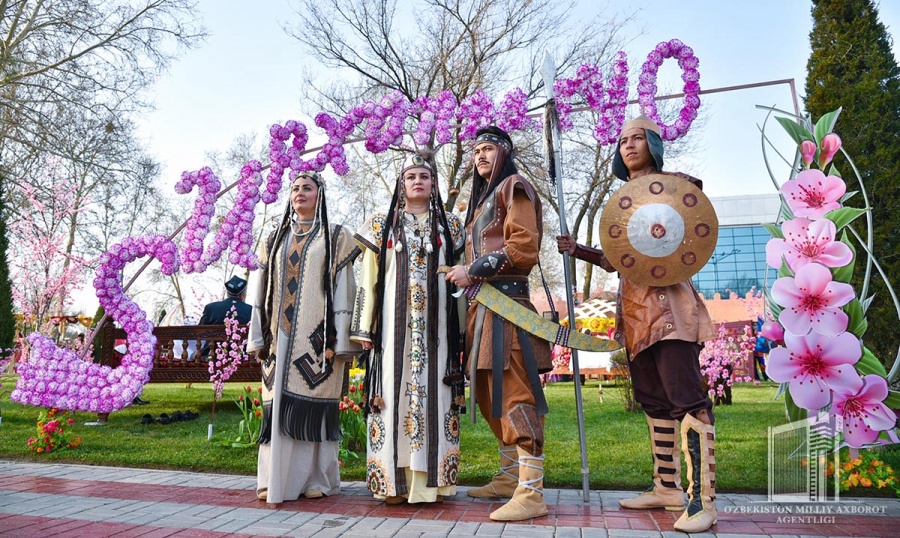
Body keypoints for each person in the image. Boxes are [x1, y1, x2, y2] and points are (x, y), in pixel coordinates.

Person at [556, 115, 717, 533]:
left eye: (638, 138)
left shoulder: (674, 186)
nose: (628, 145)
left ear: (653, 145)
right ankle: (667, 488)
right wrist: (579, 250)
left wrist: (664, 195)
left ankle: (703, 501)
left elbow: (691, 212)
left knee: (688, 400)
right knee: (654, 401)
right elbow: (615, 260)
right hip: (635, 312)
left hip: (671, 311)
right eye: (623, 140)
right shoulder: (621, 201)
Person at [444, 126, 553, 522]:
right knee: (490, 393)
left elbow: (523, 248)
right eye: (476, 150)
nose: (480, 155)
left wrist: (471, 270)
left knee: (514, 393)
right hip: (482, 310)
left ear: (504, 152)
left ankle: (531, 493)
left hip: (508, 307)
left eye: (488, 148)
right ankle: (510, 477)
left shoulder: (514, 186)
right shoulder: (481, 203)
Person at [350, 152, 466, 505]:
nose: (418, 181)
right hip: (391, 331)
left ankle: (433, 484)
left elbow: (462, 281)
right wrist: (365, 328)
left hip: (439, 331)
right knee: (391, 397)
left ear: (434, 184)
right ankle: (392, 484)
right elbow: (368, 278)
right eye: (411, 176)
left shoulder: (450, 227)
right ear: (401, 184)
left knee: (437, 398)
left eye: (424, 176)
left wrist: (462, 331)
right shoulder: (381, 224)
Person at [247, 171, 362, 504]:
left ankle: (317, 480)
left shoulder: (336, 237)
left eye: (307, 188)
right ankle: (273, 480)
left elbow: (345, 289)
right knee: (277, 407)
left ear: (319, 194)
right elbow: (259, 291)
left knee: (315, 411)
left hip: (318, 341)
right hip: (278, 337)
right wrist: (257, 336)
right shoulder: (273, 239)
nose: (300, 193)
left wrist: (342, 340)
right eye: (295, 188)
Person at [198, 275, 252, 357]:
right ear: (243, 294)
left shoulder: (211, 308)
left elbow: (199, 331)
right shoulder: (250, 310)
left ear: (227, 293)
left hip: (211, 355)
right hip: (241, 356)